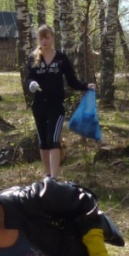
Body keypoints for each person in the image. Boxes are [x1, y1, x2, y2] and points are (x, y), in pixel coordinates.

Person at [24, 25, 95, 178]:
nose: (44, 41)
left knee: (53, 139)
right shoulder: (33, 57)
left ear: (53, 38)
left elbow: (72, 80)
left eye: (47, 37)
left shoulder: (61, 58)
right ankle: (48, 175)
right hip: (39, 105)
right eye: (41, 38)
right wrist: (31, 84)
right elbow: (28, 77)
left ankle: (54, 178)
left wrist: (85, 86)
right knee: (43, 141)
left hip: (56, 105)